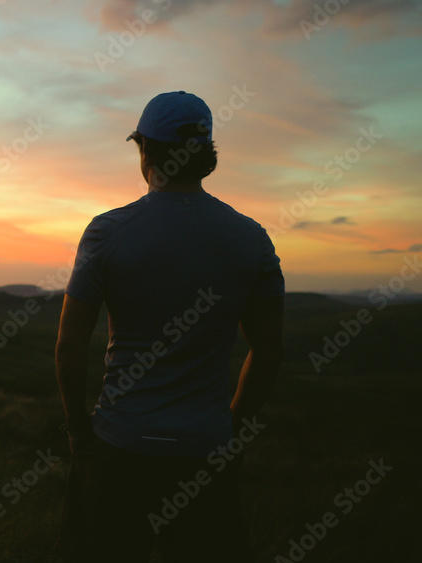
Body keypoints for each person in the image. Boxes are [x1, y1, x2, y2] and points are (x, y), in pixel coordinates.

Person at [52, 91, 285, 562]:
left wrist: (78, 430)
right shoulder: (251, 239)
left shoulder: (108, 232)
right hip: (205, 451)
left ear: (147, 152)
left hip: (120, 447)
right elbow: (268, 349)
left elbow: (70, 344)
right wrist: (231, 430)